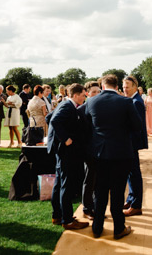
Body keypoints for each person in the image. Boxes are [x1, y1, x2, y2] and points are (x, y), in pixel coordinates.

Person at [84, 74, 140, 240]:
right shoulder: (126, 102)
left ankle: (97, 227)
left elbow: (87, 128)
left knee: (100, 191)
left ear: (102, 85)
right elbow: (137, 126)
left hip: (99, 154)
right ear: (117, 86)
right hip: (121, 153)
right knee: (117, 192)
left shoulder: (92, 102)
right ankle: (118, 228)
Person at [47, 83, 89, 230]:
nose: (85, 97)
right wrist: (65, 139)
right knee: (66, 185)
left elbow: (48, 117)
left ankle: (57, 215)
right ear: (76, 95)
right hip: (66, 153)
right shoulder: (67, 106)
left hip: (62, 152)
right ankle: (67, 220)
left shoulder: (65, 104)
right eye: (83, 95)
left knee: (59, 184)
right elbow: (53, 121)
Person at [122, 75, 148, 217]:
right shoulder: (132, 100)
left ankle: (136, 205)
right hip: (130, 143)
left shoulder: (136, 102)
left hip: (131, 143)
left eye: (128, 87)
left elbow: (136, 127)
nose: (125, 89)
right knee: (131, 173)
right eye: (124, 87)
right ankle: (131, 199)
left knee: (134, 174)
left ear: (135, 87)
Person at [81, 80, 101, 220]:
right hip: (88, 150)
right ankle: (87, 209)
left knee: (98, 180)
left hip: (100, 150)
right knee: (89, 180)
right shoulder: (82, 109)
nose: (96, 94)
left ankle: (95, 207)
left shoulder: (101, 107)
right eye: (93, 92)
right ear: (87, 94)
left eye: (98, 92)